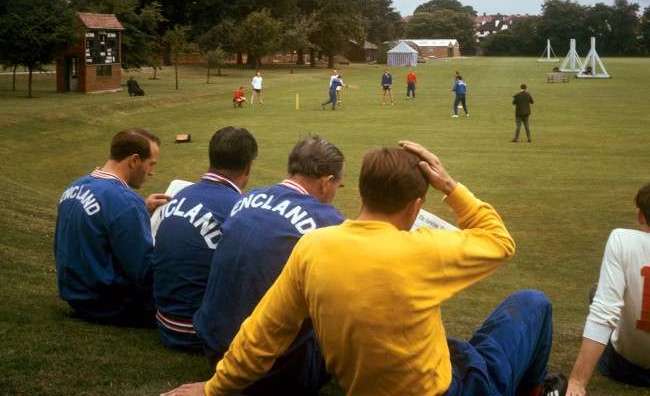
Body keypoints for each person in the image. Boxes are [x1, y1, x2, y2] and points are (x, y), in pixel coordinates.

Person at [163, 141, 566, 396]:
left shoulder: (313, 247)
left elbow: (262, 333)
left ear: (360, 191)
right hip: (448, 389)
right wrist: (451, 186)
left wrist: (214, 389)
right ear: (415, 206)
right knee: (532, 303)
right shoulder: (424, 251)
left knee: (452, 346)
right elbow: (500, 241)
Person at [192, 136, 346, 395]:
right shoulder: (327, 221)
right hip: (269, 369)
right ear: (326, 182)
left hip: (215, 346)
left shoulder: (247, 198)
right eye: (338, 186)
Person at [153, 127, 258, 351]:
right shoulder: (240, 209)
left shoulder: (180, 195)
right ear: (248, 167)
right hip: (199, 332)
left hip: (165, 320)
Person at [54, 128, 168, 325]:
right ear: (134, 160)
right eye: (151, 164)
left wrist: (141, 208)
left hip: (76, 294)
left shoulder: (75, 186)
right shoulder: (126, 202)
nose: (152, 172)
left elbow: (102, 214)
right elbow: (144, 270)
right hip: (109, 303)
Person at [566, 184, 650, 394]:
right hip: (630, 366)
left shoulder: (623, 240)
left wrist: (577, 382)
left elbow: (604, 312)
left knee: (597, 294)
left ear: (640, 216)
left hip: (627, 368)